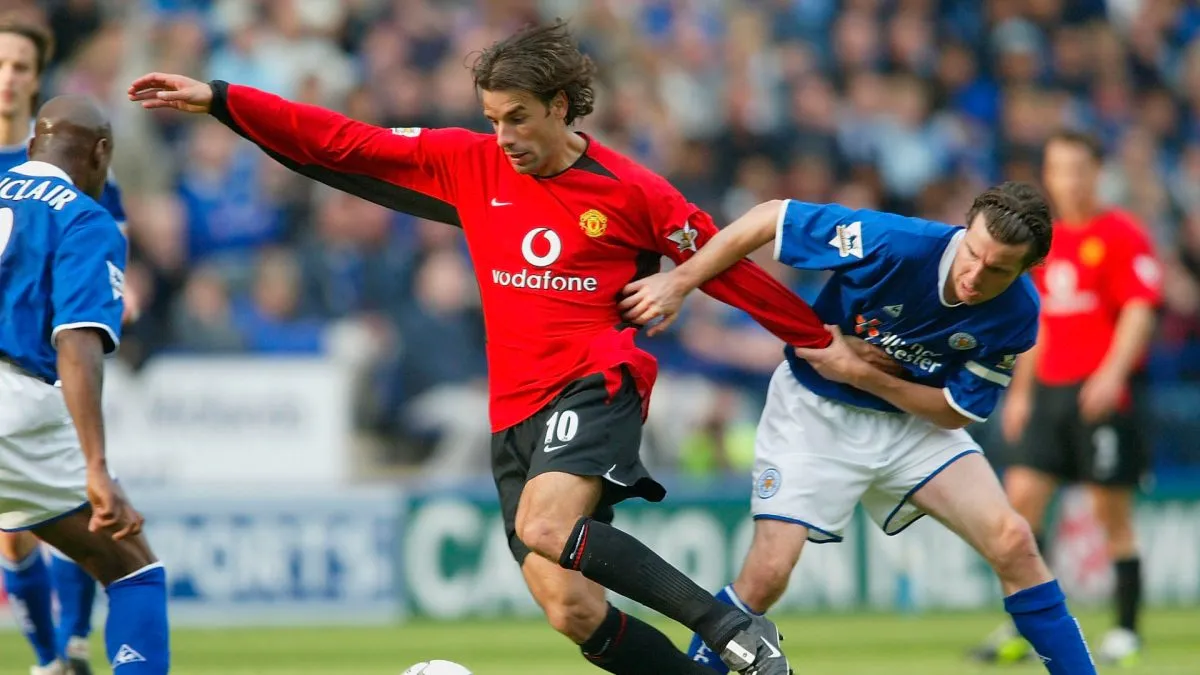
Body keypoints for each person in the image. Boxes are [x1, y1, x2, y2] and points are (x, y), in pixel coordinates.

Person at [129, 21, 834, 675]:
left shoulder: (632, 190)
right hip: (512, 410)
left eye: (518, 117)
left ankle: (730, 627)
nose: (503, 136)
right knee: (571, 608)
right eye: (492, 118)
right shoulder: (469, 162)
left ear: (561, 106)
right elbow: (341, 139)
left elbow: (726, 264)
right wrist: (222, 100)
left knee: (545, 523)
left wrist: (814, 341)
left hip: (595, 380)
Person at [620, 184, 1097, 675]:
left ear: (1027, 269)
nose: (974, 275)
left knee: (1013, 540)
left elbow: (956, 410)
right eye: (972, 253)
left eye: (997, 269)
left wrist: (861, 372)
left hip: (912, 424)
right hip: (814, 413)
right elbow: (772, 218)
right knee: (767, 575)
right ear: (964, 229)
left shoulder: (1018, 314)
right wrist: (681, 282)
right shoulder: (896, 242)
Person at [971, 130, 1161, 667]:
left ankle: (1126, 627)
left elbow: (1140, 311)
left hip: (1103, 391)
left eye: (1078, 168)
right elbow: (1037, 325)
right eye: (1057, 169)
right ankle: (1026, 627)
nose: (1068, 180)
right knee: (1019, 508)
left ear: (1096, 172)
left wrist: (1111, 374)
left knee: (1110, 512)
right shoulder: (1042, 244)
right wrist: (1022, 393)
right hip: (1049, 391)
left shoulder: (1122, 233)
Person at [0, 95, 170, 674]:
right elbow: (76, 342)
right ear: (101, 154)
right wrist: (96, 464)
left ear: (29, 149)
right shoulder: (82, 216)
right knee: (133, 569)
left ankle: (56, 657)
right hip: (13, 402)